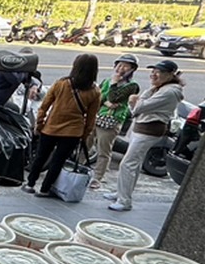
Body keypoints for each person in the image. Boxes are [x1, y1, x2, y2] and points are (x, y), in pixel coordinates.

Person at [105, 59, 184, 212]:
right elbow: (136, 108)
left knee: (128, 163)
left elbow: (140, 107)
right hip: (141, 128)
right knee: (134, 163)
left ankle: (124, 201)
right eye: (153, 71)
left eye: (158, 72)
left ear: (170, 75)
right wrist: (136, 101)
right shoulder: (159, 87)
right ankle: (121, 193)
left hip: (149, 130)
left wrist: (135, 101)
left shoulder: (169, 91)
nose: (154, 74)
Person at [23, 53, 100, 197]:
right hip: (73, 132)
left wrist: (39, 124)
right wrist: (84, 135)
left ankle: (30, 184)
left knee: (40, 157)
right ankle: (44, 189)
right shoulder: (94, 91)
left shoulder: (61, 84)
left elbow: (44, 106)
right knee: (58, 161)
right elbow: (91, 118)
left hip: (51, 128)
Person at [88, 54, 140, 189]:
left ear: (132, 69)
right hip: (97, 116)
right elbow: (99, 96)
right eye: (119, 65)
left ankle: (98, 177)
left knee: (103, 150)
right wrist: (105, 102)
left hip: (112, 120)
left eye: (125, 66)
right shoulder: (107, 80)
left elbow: (114, 97)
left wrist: (114, 83)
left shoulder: (132, 86)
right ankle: (80, 169)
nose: (121, 68)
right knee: (85, 144)